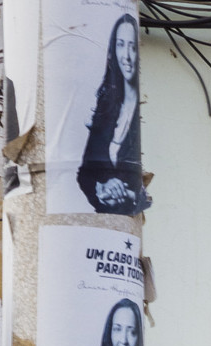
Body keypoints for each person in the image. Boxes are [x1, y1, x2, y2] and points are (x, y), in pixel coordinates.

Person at [78, 14, 147, 215]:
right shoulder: (107, 105)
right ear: (113, 51)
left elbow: (144, 194)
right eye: (120, 45)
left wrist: (125, 193)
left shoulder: (142, 111)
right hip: (101, 220)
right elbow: (84, 174)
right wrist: (101, 187)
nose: (126, 56)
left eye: (132, 47)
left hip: (127, 224)